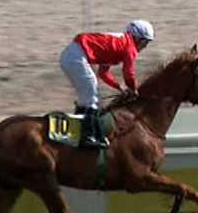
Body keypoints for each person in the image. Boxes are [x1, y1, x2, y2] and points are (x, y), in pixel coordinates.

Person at [59, 20, 154, 148]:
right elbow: (129, 73)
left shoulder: (120, 44)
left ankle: (80, 130)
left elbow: (103, 73)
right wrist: (134, 89)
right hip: (75, 56)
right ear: (137, 38)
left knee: (88, 96)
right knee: (91, 93)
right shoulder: (129, 47)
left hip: (72, 55)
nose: (145, 46)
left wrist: (118, 86)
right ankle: (86, 136)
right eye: (145, 42)